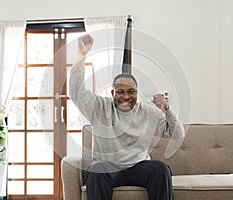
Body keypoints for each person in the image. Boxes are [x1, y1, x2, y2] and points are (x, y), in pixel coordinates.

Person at [69, 34, 185, 200]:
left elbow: (178, 134)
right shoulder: (99, 107)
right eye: (120, 92)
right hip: (108, 168)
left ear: (136, 93)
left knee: (160, 168)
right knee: (96, 170)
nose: (126, 96)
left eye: (131, 92)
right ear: (112, 93)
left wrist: (167, 109)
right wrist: (81, 55)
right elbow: (75, 92)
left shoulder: (148, 112)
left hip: (138, 167)